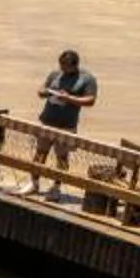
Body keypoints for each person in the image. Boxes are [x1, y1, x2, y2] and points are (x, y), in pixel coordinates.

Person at [34, 49, 97, 196]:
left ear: (74, 65)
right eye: (61, 65)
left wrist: (70, 99)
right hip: (47, 120)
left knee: (61, 157)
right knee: (40, 153)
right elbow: (42, 89)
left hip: (67, 125)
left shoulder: (87, 79)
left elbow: (90, 100)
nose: (62, 69)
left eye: (65, 66)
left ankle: (56, 187)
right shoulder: (56, 74)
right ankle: (34, 183)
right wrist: (46, 92)